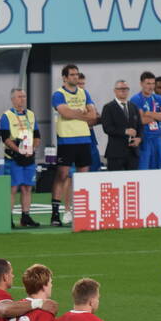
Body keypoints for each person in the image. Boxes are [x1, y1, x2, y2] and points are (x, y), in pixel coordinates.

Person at [51, 64, 97, 224]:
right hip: (67, 139)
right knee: (62, 175)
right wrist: (82, 113)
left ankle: (79, 210)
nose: (75, 77)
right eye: (72, 75)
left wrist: (77, 113)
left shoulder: (84, 93)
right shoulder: (58, 94)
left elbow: (93, 115)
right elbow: (65, 113)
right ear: (64, 77)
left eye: (77, 74)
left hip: (84, 138)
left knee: (82, 177)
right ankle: (59, 212)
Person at [0, 87, 41, 228]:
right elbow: (5, 138)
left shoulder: (31, 114)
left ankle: (25, 216)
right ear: (12, 99)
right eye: (19, 96)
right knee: (12, 188)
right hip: (13, 157)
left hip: (29, 156)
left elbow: (37, 136)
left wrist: (32, 148)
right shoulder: (7, 116)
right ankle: (8, 217)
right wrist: (19, 150)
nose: (22, 99)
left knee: (27, 187)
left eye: (23, 96)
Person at [129, 71, 161, 170]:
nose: (151, 87)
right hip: (145, 138)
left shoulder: (159, 98)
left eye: (153, 84)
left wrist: (148, 113)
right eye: (148, 83)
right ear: (141, 84)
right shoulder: (136, 99)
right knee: (144, 169)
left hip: (158, 138)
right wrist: (158, 116)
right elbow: (141, 120)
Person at [100, 79, 141, 172]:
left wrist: (139, 138)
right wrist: (124, 131)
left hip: (133, 152)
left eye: (126, 89)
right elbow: (107, 128)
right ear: (115, 91)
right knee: (116, 180)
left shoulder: (133, 107)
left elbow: (139, 126)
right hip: (115, 153)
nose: (124, 91)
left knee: (132, 180)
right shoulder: (108, 107)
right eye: (121, 89)